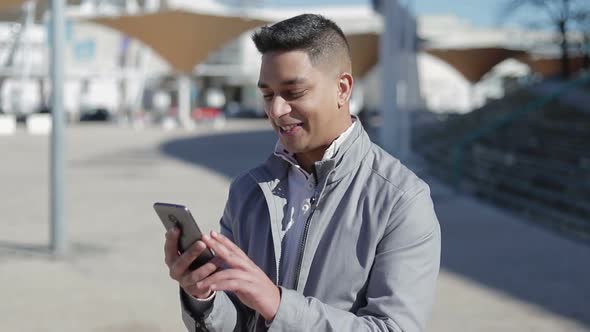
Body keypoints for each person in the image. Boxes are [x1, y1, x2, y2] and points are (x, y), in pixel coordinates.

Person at [164, 14, 441, 332]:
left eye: (293, 93)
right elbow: (238, 320)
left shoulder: (402, 200)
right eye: (268, 95)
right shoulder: (247, 190)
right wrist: (204, 296)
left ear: (342, 88)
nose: (276, 110)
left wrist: (278, 305)